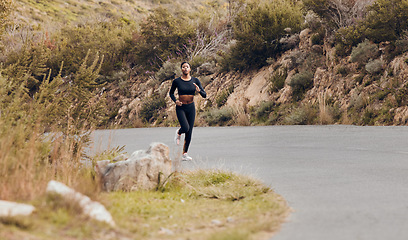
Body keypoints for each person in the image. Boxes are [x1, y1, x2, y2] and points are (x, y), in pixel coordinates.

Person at [169, 62, 206, 161]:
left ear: (190, 69)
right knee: (185, 127)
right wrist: (175, 101)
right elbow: (171, 93)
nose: (185, 68)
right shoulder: (177, 81)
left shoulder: (195, 80)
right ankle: (179, 132)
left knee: (189, 132)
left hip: (191, 107)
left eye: (187, 67)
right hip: (181, 107)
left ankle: (184, 154)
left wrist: (199, 91)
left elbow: (204, 95)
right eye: (183, 67)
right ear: (181, 69)